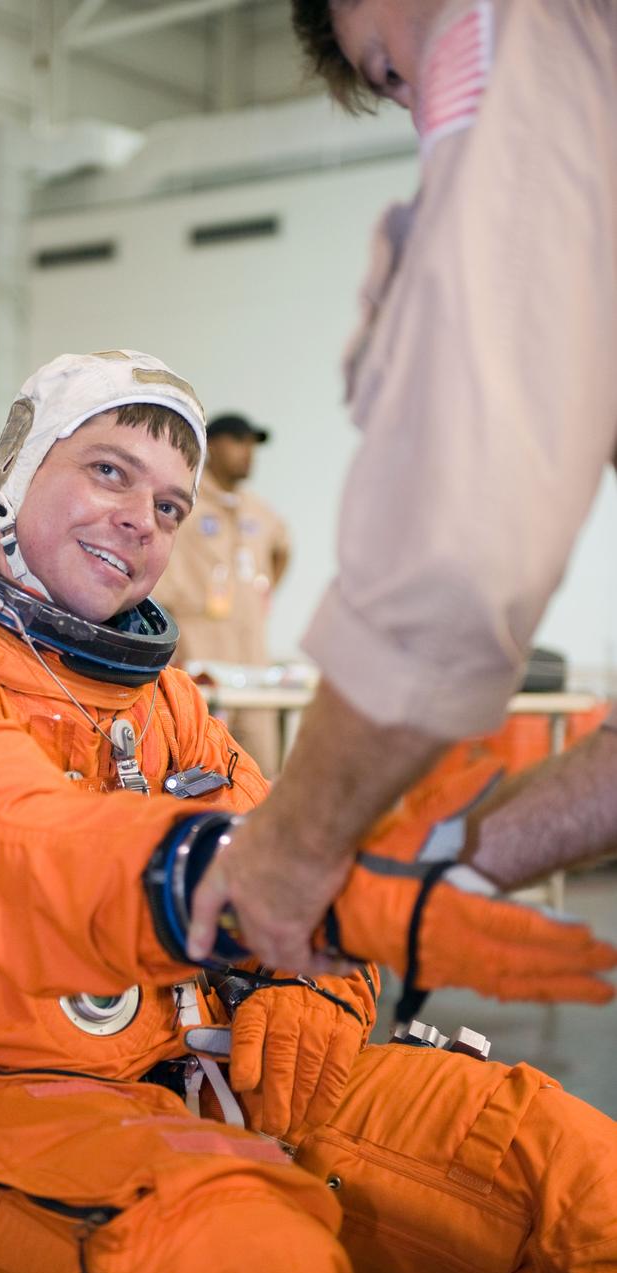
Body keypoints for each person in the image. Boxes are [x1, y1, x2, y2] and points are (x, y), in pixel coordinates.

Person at [0, 349, 614, 1273]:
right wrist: (226, 879)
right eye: (108, 472)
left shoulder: (161, 704)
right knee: (242, 1245)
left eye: (170, 506)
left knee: (558, 1168)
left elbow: (272, 841)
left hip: (187, 1089)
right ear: (13, 472)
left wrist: (311, 987)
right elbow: (4, 837)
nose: (139, 519)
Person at [186, 0, 617, 974]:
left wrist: (292, 849)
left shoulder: (507, 28)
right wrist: (434, 866)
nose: (423, 110)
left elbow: (456, 555)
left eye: (387, 71)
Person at [155, 412, 290, 777]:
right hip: (202, 663)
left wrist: (259, 593)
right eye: (237, 442)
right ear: (212, 447)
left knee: (261, 772)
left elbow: (283, 547)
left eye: (251, 445)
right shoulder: (184, 504)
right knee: (205, 771)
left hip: (252, 665)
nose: (247, 452)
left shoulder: (257, 511)